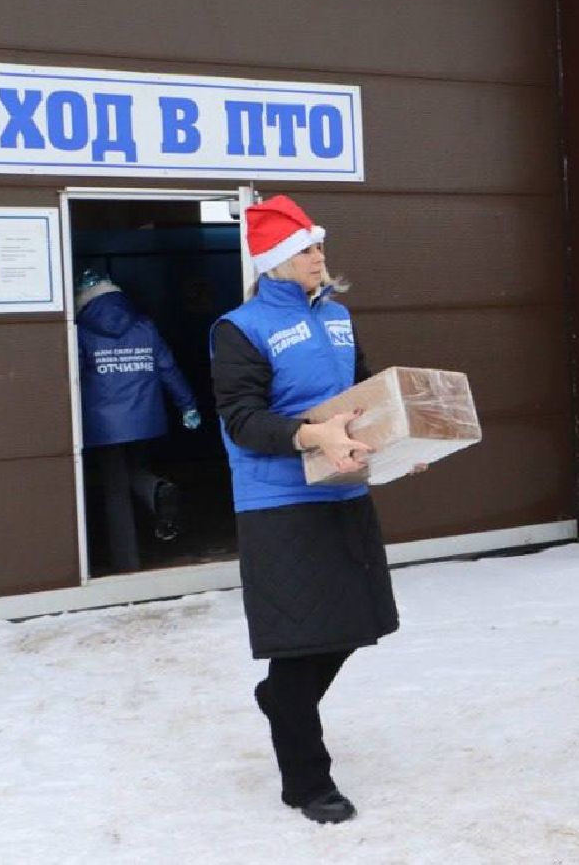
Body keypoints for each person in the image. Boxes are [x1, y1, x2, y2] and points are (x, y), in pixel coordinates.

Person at [210, 194, 400, 826]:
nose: (319, 257)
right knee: (301, 642)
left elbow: (364, 393)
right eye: (306, 250)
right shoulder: (240, 328)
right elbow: (242, 420)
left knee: (353, 624)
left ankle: (280, 700)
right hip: (280, 503)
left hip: (343, 490)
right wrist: (314, 435)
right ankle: (307, 782)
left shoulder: (338, 316)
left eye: (319, 246)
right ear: (275, 261)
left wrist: (401, 441)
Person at [76, 269, 200, 572]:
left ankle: (126, 563)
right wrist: (187, 405)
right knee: (133, 471)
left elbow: (74, 378)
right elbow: (168, 369)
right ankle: (156, 490)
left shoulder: (80, 331)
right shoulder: (145, 326)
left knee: (115, 490)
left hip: (103, 426)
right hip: (145, 420)